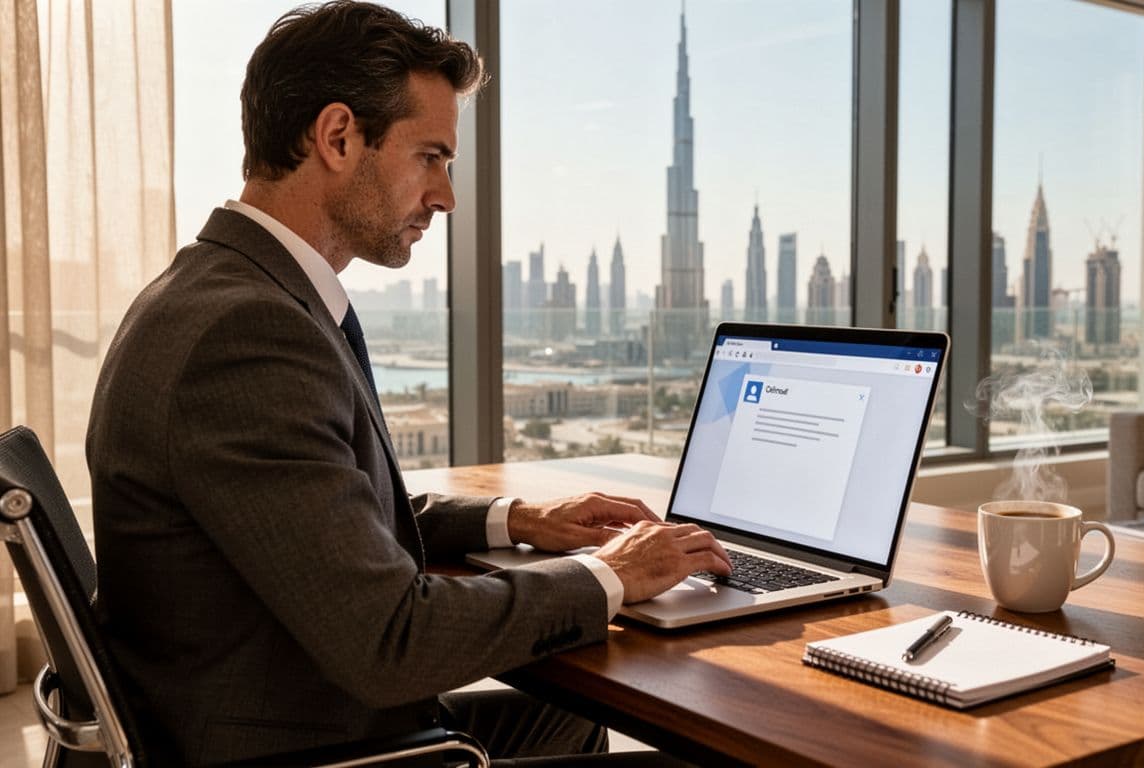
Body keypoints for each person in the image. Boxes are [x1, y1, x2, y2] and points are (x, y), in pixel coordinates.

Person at [85, 2, 730, 765]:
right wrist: (610, 573)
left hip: (271, 706)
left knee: (566, 724)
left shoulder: (221, 290)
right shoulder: (248, 336)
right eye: (431, 156)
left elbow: (323, 508)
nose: (447, 196)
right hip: (303, 742)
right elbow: (394, 640)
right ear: (337, 137)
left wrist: (516, 519)